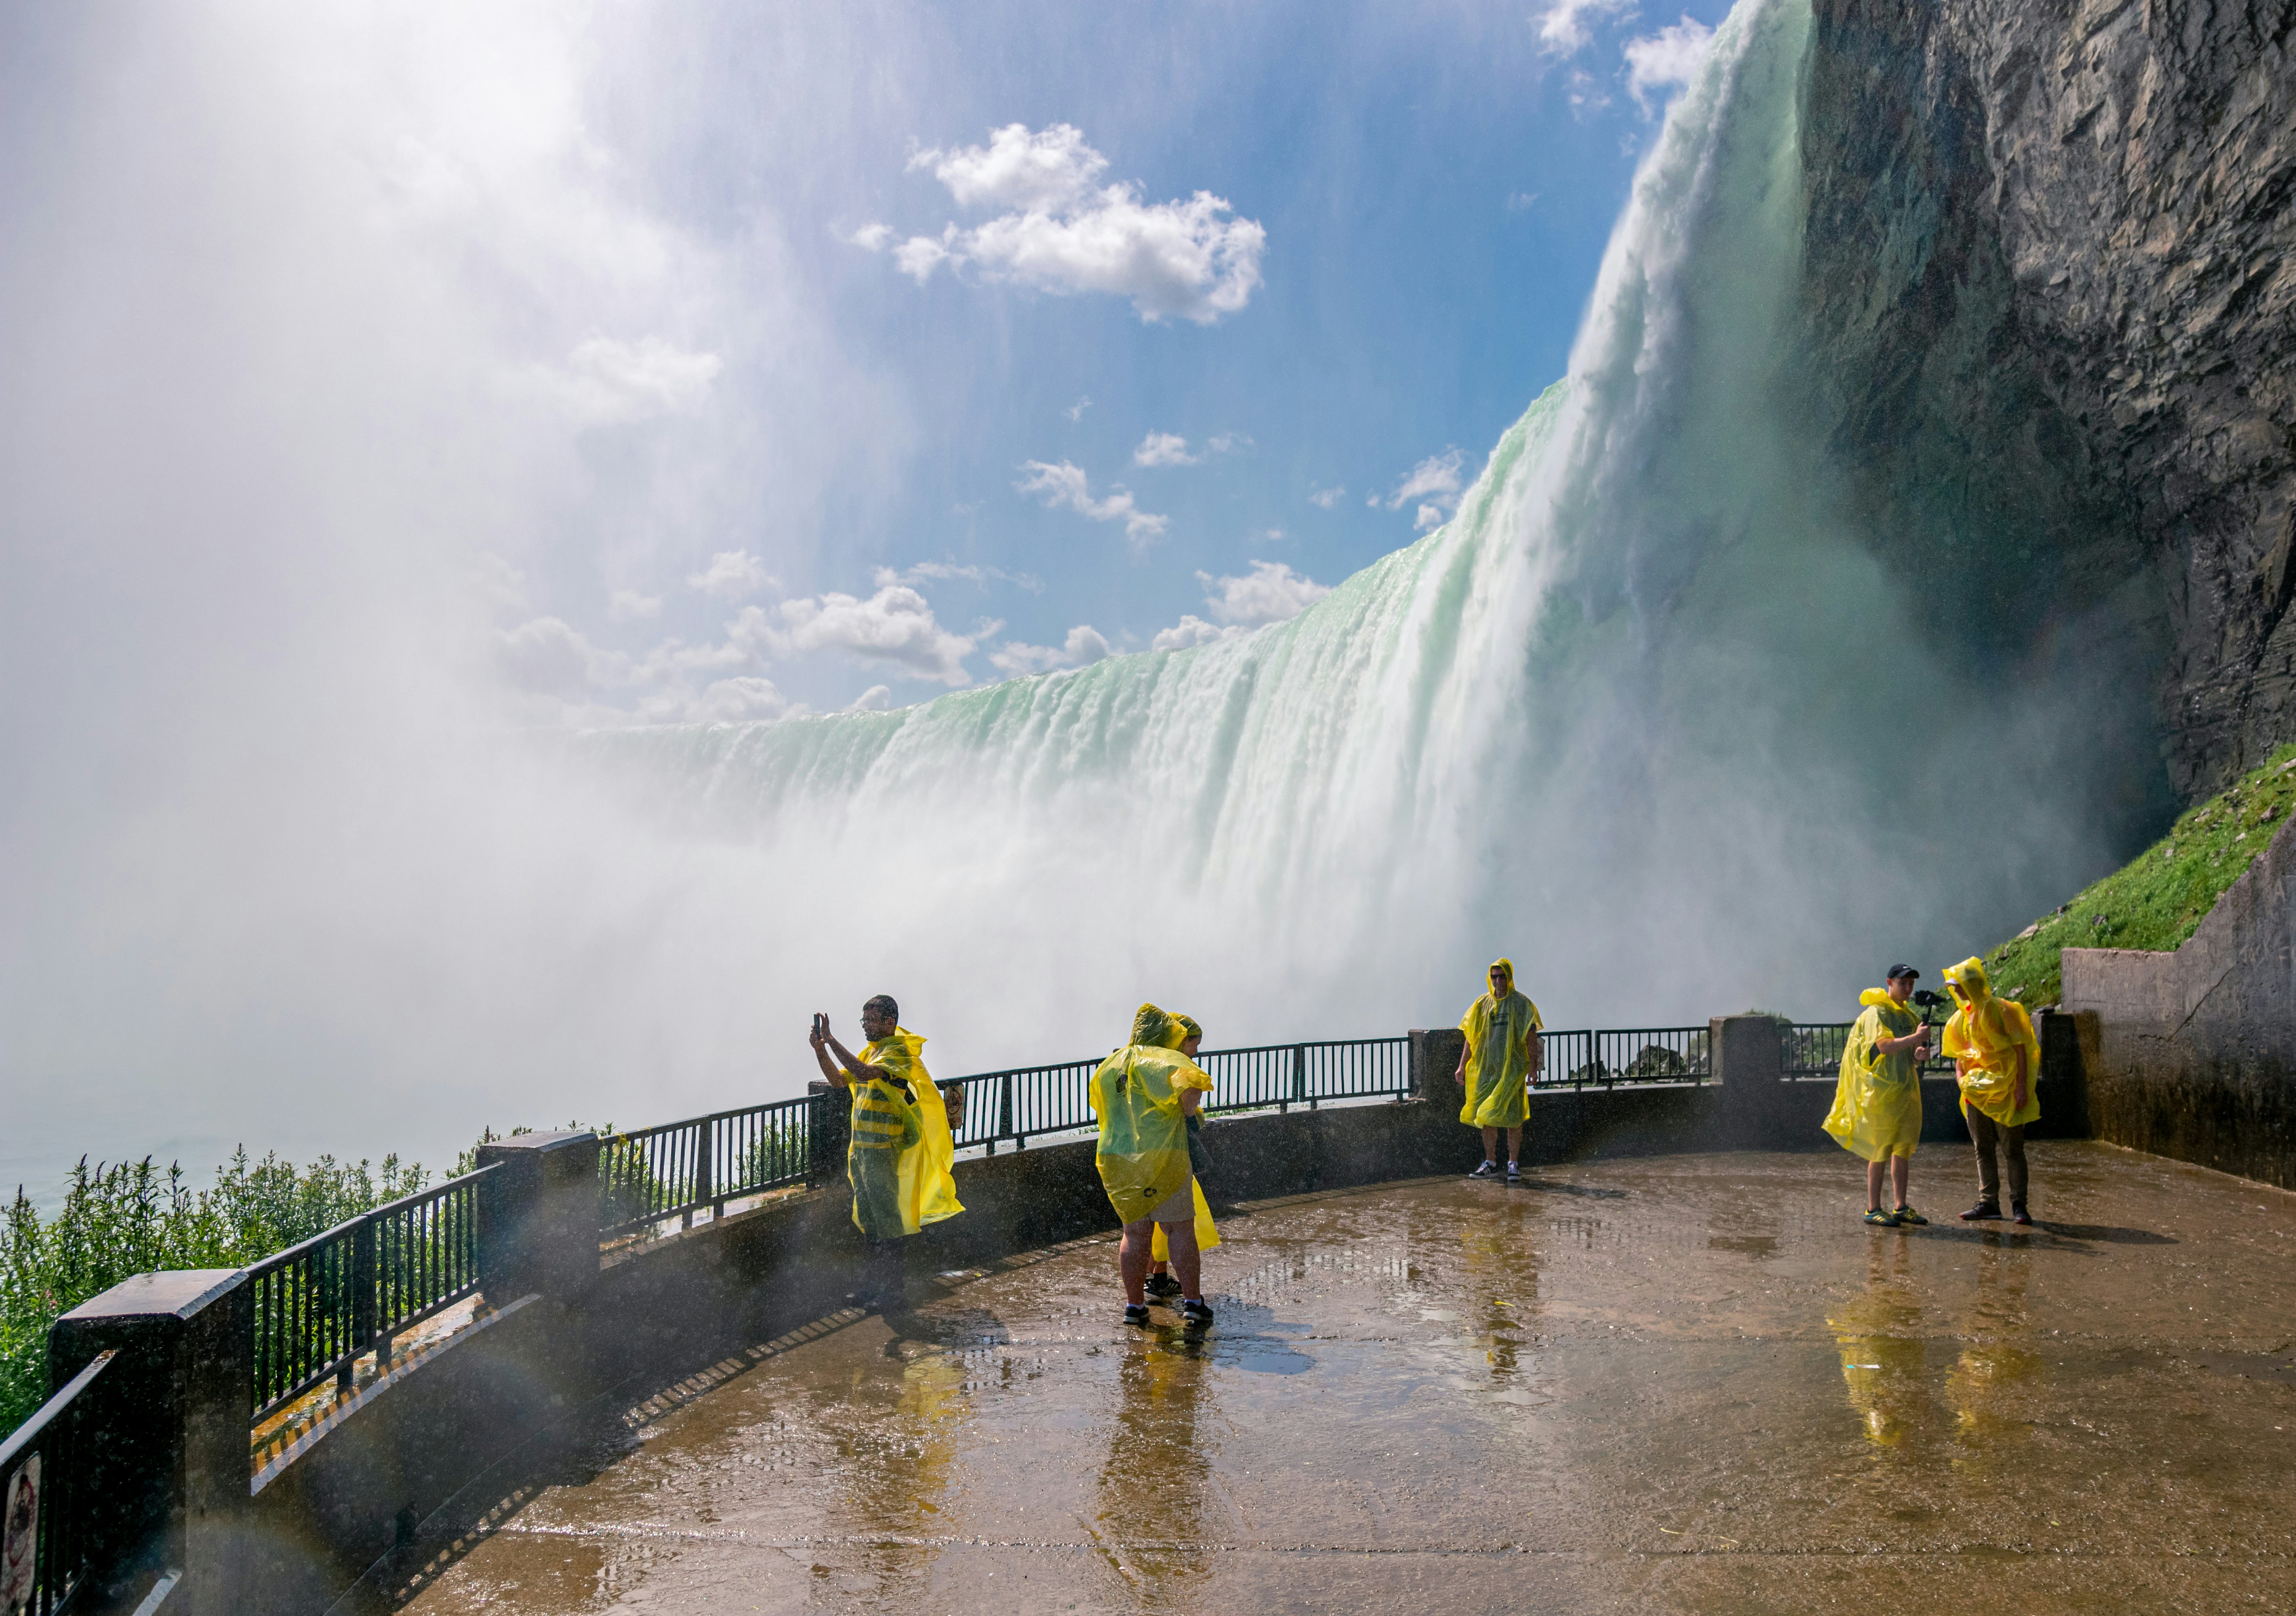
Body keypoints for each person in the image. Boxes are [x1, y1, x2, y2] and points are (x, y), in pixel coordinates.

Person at [808, 993, 962, 1309]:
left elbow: (864, 1073)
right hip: (862, 1152)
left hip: (883, 1151)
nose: (865, 1026)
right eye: (863, 1020)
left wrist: (832, 1040)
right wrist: (820, 1050)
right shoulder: (872, 1053)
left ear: (889, 1023)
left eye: (870, 1020)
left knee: (887, 1225)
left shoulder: (898, 1056)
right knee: (870, 1224)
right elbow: (839, 1081)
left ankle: (893, 1293)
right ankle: (872, 1288)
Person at [1090, 1004, 1218, 1330]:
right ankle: (1193, 1304)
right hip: (1163, 1155)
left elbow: (1101, 1105)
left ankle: (1134, 1307)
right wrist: (1186, 1110)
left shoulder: (1109, 1065)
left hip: (1117, 1156)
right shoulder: (1164, 1060)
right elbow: (1193, 1083)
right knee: (1178, 1228)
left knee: (1134, 1233)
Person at [1822, 964, 1932, 1226]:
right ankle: (1872, 1208)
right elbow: (1884, 1046)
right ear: (1889, 983)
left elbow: (1909, 1054)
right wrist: (1915, 1037)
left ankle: (1900, 1206)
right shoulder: (1876, 1013)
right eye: (1902, 983)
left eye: (1910, 984)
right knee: (1880, 1149)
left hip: (1905, 1090)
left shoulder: (1907, 1015)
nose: (1907, 988)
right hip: (1881, 1092)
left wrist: (1919, 1055)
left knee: (1902, 1150)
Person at [1940, 957, 2042, 1225]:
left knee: (2013, 1149)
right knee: (1982, 1148)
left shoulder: (2001, 1010)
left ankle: (2019, 1204)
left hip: (2005, 1088)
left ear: (1971, 983)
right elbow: (1961, 1054)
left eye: (1959, 985)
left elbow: (2021, 1048)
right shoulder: (1961, 1017)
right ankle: (1989, 1203)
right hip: (1976, 1092)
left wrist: (2021, 1087)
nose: (1956, 991)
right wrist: (1961, 1079)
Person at [1146, 1012, 1215, 1301]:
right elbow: (1185, 1110)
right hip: (1168, 1151)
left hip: (1136, 1153)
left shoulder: (1144, 1063)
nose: (1196, 1052)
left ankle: (1154, 1279)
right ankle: (1173, 1289)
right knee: (1171, 1223)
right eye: (1193, 1045)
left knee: (1150, 1224)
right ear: (1180, 1040)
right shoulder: (1173, 1068)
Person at [1456, 958, 1543, 1181]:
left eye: (1502, 976)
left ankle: (1513, 1163)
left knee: (1514, 1117)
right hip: (1487, 1071)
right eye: (1494, 977)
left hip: (1512, 1070)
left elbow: (1531, 1037)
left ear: (1509, 977)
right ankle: (1490, 1162)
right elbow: (1470, 1037)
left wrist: (1533, 1068)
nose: (1498, 981)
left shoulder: (1521, 1004)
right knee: (1487, 1117)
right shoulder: (1481, 1005)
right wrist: (1462, 1066)